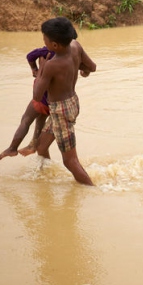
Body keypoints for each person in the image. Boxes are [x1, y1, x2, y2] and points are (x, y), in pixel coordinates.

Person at [30, 17, 96, 185]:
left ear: (54, 45)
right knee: (41, 147)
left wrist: (41, 68)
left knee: (70, 161)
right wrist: (84, 72)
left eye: (44, 39)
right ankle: (45, 178)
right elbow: (92, 67)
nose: (43, 42)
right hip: (71, 103)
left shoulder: (52, 65)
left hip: (61, 110)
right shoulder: (75, 46)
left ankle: (93, 190)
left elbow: (37, 96)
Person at [0, 46, 54, 160]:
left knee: (26, 120)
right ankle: (33, 145)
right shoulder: (68, 54)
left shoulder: (46, 51)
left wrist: (34, 69)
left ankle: (12, 148)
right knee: (40, 120)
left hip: (41, 96)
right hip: (55, 101)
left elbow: (30, 56)